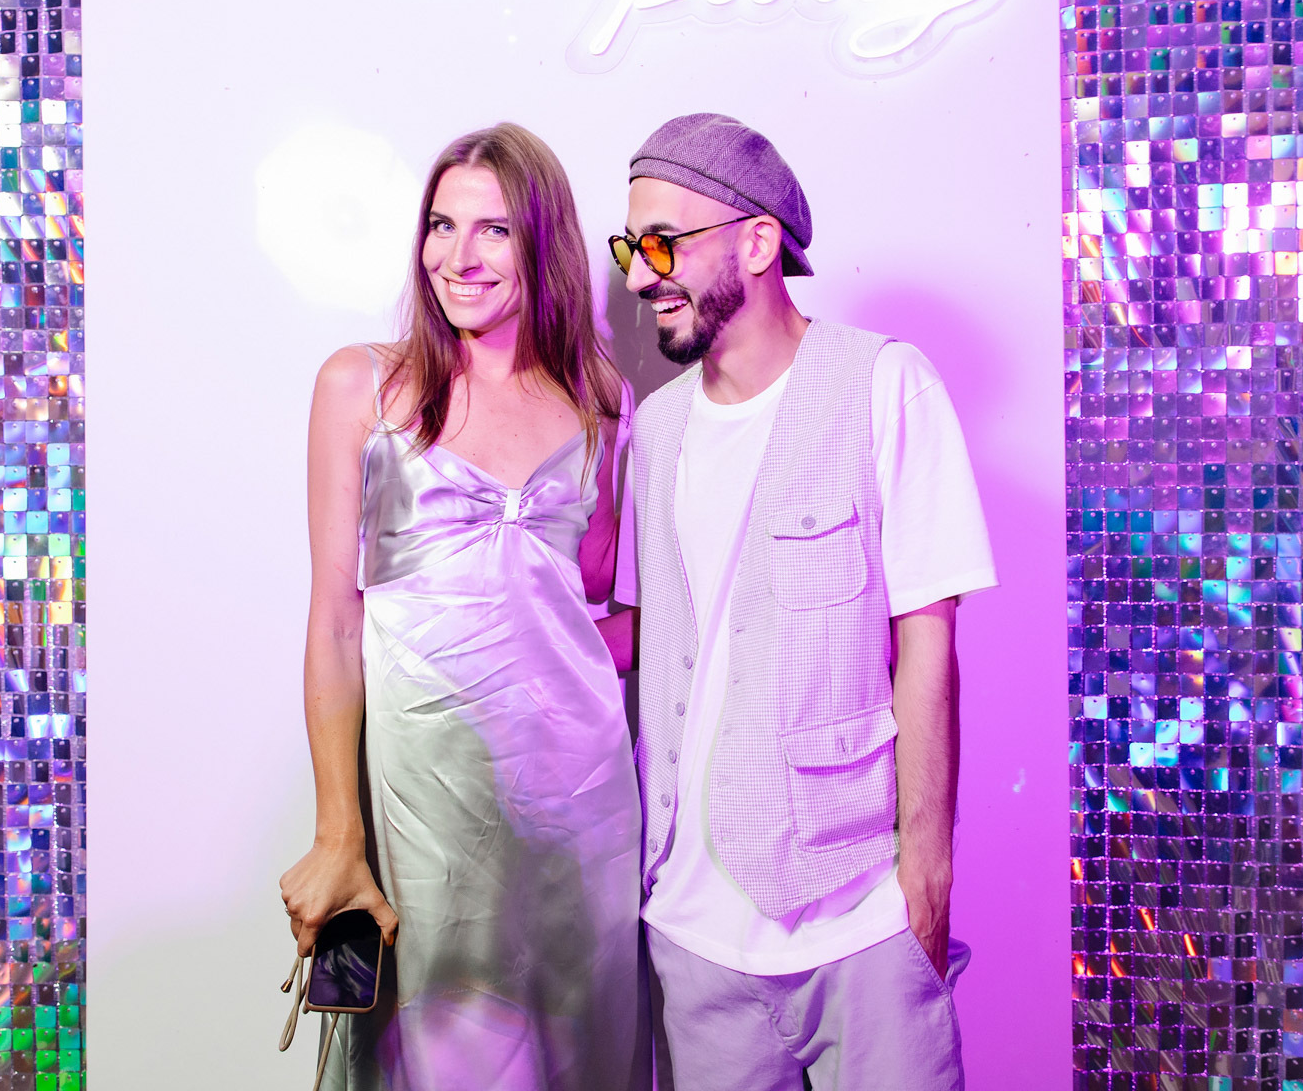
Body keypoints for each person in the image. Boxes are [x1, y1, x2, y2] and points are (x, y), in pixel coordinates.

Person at [607, 113, 996, 1089]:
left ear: (758, 241)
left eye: (663, 243)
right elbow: (650, 641)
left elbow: (929, 645)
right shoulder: (657, 429)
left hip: (857, 916)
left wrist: (926, 876)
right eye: (631, 246)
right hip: (691, 930)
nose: (641, 274)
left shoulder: (885, 384)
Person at [278, 123, 648, 1090]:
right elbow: (335, 624)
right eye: (442, 225)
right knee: (442, 1051)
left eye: (493, 230)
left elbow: (593, 616)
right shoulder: (364, 386)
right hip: (425, 797)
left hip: (580, 801)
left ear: (542, 243)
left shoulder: (602, 402)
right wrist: (337, 829)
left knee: (581, 1053)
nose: (458, 257)